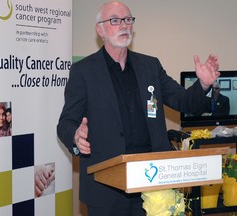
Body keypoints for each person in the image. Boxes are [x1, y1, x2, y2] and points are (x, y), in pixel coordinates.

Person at [57, 1, 220, 216]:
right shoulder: (83, 72)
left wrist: (203, 85)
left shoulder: (150, 66)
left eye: (128, 19)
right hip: (105, 187)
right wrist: (76, 137)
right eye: (115, 20)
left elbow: (184, 102)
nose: (124, 25)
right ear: (100, 29)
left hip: (151, 183)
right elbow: (66, 123)